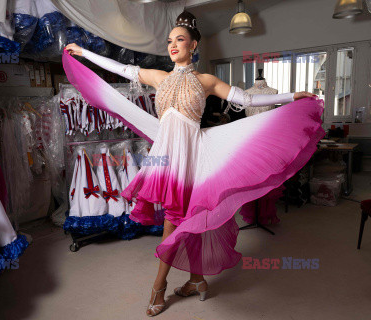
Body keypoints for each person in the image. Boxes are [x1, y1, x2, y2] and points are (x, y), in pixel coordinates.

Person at [64, 11, 323, 317]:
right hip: (168, 159)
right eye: (169, 40)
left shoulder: (206, 80)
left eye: (180, 39)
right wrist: (84, 53)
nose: (172, 45)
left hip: (194, 157)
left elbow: (248, 100)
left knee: (174, 224)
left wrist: (293, 95)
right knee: (187, 222)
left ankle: (159, 287)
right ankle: (196, 280)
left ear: (193, 45)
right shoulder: (158, 77)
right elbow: (121, 68)